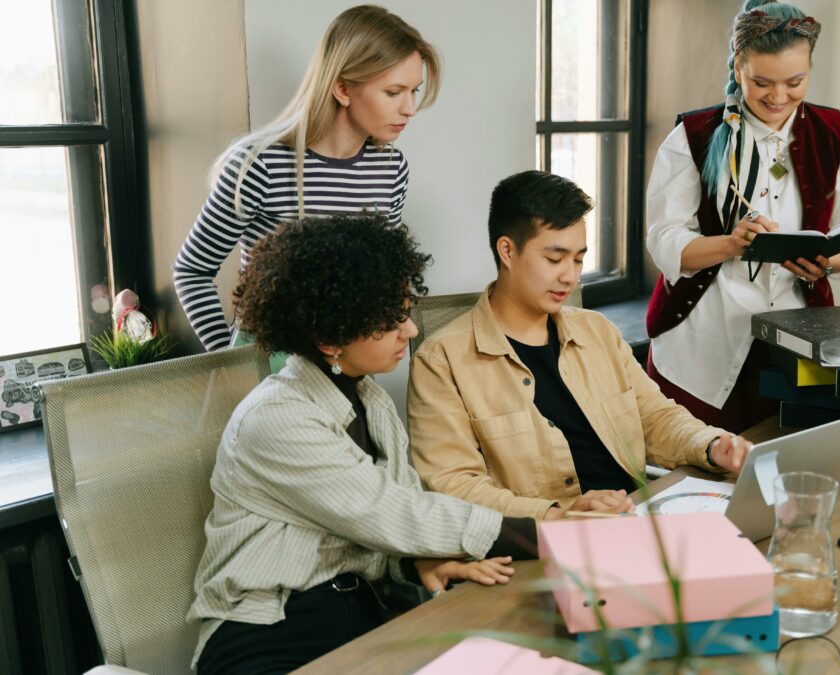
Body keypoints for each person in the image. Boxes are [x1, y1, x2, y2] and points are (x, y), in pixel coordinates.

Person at [189, 214, 536, 674]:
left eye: (407, 312)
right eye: (391, 321)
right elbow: (389, 512)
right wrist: (547, 535)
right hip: (270, 636)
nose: (410, 331)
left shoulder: (371, 401)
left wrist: (415, 567)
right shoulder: (276, 418)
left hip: (362, 619)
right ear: (330, 336)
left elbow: (377, 529)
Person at [407, 170, 750, 521]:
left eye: (578, 259)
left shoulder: (597, 331)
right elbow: (454, 488)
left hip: (636, 519)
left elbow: (655, 417)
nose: (570, 276)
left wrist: (711, 446)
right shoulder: (442, 361)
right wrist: (560, 513)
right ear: (507, 251)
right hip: (545, 549)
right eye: (554, 259)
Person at [644, 0, 840, 433]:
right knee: (689, 479)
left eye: (795, 82)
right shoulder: (692, 136)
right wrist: (731, 244)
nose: (778, 97)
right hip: (701, 346)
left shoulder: (839, 134)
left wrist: (827, 260)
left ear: (809, 71)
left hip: (797, 344)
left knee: (783, 476)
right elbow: (663, 241)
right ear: (738, 67)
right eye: (761, 82)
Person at [174, 5, 439, 352]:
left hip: (348, 367)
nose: (409, 108)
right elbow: (192, 271)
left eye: (414, 91)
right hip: (270, 374)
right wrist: (234, 365)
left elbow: (379, 279)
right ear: (343, 89)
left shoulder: (390, 168)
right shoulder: (260, 164)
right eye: (393, 92)